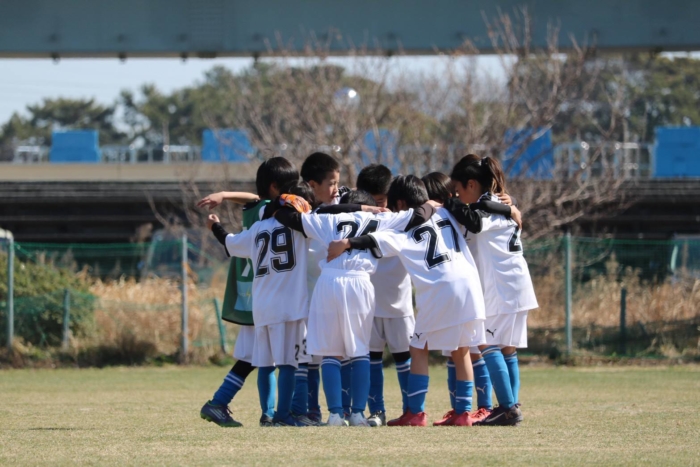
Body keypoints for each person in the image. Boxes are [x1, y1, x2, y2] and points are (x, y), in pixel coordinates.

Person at [327, 175, 485, 427]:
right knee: (462, 349)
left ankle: (416, 413)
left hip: (439, 288)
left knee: (418, 348)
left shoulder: (402, 226)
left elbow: (374, 240)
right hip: (470, 284)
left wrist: (346, 243)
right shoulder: (445, 212)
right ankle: (464, 413)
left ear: (400, 203)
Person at [274, 189, 435, 427]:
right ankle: (358, 414)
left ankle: (335, 415)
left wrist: (356, 209)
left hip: (328, 281)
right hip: (359, 282)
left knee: (330, 353)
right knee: (360, 351)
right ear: (371, 206)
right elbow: (419, 216)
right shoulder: (382, 218)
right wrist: (431, 203)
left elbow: (285, 215)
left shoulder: (328, 218)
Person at [197, 157, 298, 428]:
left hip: (255, 295)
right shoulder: (278, 212)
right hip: (274, 292)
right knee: (270, 359)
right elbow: (259, 198)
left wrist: (224, 195)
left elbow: (255, 198)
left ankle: (262, 412)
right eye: (291, 186)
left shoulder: (257, 211)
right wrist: (225, 196)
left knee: (257, 359)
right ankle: (225, 403)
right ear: (276, 188)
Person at [447, 154, 537, 426]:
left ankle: (508, 408)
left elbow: (476, 222)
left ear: (471, 184)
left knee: (487, 343)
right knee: (508, 348)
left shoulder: (490, 206)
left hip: (500, 288)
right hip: (515, 285)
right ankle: (510, 406)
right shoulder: (502, 204)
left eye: (459, 189)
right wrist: (511, 208)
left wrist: (449, 202)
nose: (458, 195)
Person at [356, 164, 414, 426]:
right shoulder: (356, 218)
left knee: (405, 359)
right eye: (372, 202)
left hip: (399, 303)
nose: (378, 207)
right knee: (371, 360)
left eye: (381, 201)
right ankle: (376, 411)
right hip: (367, 303)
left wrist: (510, 207)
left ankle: (411, 410)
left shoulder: (401, 218)